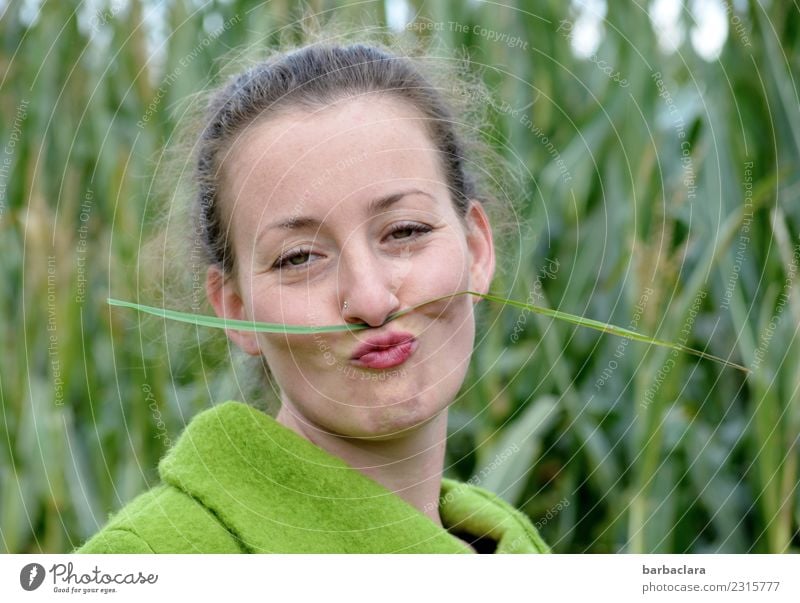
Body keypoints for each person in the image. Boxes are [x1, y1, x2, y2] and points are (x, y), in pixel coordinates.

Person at [74, 40, 550, 554]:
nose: (370, 300)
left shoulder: (510, 543)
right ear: (234, 309)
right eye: (298, 258)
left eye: (405, 231)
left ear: (478, 249)